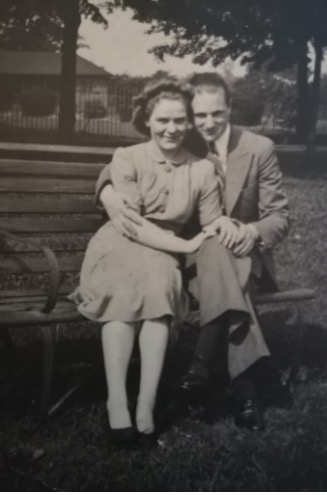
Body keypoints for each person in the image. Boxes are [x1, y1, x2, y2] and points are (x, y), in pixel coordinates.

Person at [95, 73, 290, 431]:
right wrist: (106, 190)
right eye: (199, 116)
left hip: (244, 253)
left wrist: (251, 230)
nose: (207, 123)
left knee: (226, 261)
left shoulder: (259, 148)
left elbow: (280, 217)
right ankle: (245, 384)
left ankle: (213, 372)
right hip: (192, 254)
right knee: (216, 251)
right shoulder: (189, 143)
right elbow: (124, 163)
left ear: (230, 108)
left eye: (216, 113)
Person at [70, 79, 227, 445]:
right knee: (122, 298)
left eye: (179, 121)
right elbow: (131, 222)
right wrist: (184, 244)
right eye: (162, 121)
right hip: (122, 241)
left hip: (163, 252)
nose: (171, 129)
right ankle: (116, 402)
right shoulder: (128, 157)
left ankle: (146, 404)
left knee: (159, 296)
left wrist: (222, 226)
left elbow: (211, 220)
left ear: (189, 122)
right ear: (147, 120)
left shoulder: (202, 169)